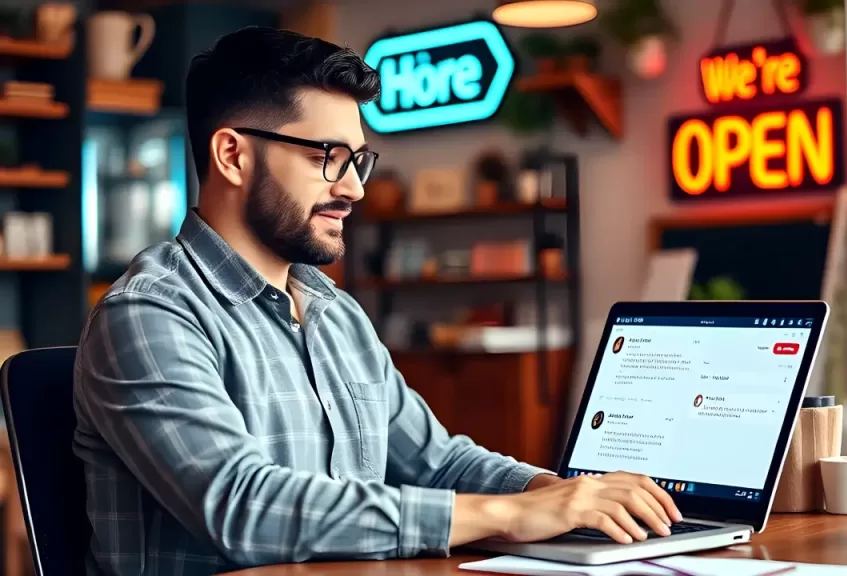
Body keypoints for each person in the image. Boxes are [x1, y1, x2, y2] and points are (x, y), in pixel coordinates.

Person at [72, 27, 681, 576]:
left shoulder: (335, 313)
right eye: (328, 158)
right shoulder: (151, 314)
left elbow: (436, 464)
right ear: (232, 154)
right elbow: (241, 507)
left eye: (358, 159)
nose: (356, 188)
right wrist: (509, 515)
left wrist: (558, 494)